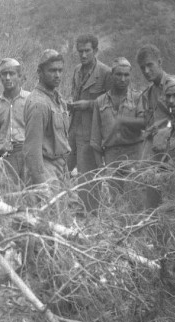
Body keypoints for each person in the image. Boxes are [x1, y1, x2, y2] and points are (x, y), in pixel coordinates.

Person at [68, 34, 112, 211]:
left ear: (95, 50)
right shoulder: (77, 70)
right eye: (80, 51)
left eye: (87, 51)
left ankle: (91, 217)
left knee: (88, 180)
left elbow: (111, 104)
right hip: (72, 130)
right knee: (62, 170)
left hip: (90, 134)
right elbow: (75, 94)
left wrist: (89, 105)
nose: (83, 55)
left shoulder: (105, 73)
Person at [89, 57, 144, 192]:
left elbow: (145, 125)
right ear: (111, 75)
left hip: (134, 155)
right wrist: (101, 168)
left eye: (126, 75)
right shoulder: (100, 102)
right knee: (114, 202)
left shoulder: (138, 98)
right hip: (111, 157)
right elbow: (95, 139)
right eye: (119, 74)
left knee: (135, 197)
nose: (123, 79)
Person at [21, 49, 70, 189]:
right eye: (52, 71)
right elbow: (32, 150)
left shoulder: (57, 99)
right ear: (39, 72)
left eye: (60, 70)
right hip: (46, 170)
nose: (57, 75)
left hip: (60, 168)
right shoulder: (38, 103)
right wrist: (41, 184)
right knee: (50, 210)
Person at [0, 58, 31, 185]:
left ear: (19, 76)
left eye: (11, 74)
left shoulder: (30, 99)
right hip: (7, 158)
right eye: (4, 74)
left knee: (31, 197)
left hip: (28, 155)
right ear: (0, 77)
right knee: (9, 199)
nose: (7, 78)